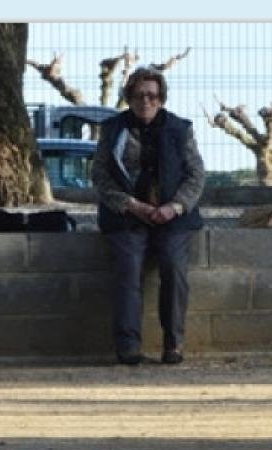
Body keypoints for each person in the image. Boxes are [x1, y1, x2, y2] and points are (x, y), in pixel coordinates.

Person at [93, 68, 205, 365]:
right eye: (140, 95)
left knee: (173, 266)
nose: (146, 101)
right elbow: (101, 177)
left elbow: (196, 175)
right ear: (129, 97)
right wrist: (131, 205)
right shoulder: (112, 129)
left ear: (162, 98)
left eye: (153, 95)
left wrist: (175, 207)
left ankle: (174, 343)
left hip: (172, 215)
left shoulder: (181, 129)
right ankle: (128, 346)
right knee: (128, 268)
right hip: (128, 214)